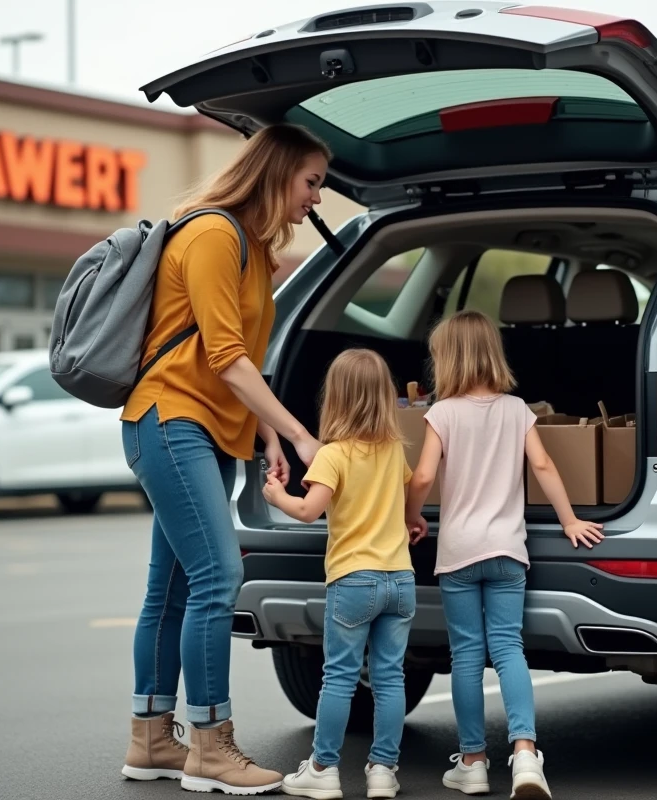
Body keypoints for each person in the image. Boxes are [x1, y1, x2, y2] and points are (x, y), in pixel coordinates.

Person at [118, 123, 331, 795]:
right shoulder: (213, 235)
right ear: (277, 174)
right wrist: (299, 435)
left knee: (176, 587)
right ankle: (211, 746)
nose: (316, 198)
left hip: (202, 429)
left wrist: (265, 436)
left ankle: (151, 738)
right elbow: (225, 358)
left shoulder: (251, 248)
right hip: (170, 419)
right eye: (311, 182)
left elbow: (244, 363)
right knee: (218, 576)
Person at [404, 310, 605, 800]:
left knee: (468, 656)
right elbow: (542, 463)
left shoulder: (443, 413)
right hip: (508, 552)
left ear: (446, 359)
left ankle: (472, 761)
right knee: (509, 649)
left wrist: (411, 515)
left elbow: (425, 476)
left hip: (459, 554)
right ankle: (524, 755)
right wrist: (569, 520)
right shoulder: (517, 410)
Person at [261, 349, 421, 800]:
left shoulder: (333, 454)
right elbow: (406, 493)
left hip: (354, 580)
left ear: (336, 399)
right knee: (390, 678)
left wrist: (277, 497)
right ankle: (383, 772)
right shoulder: (393, 450)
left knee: (339, 677)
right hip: (400, 580)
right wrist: (412, 520)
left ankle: (323, 769)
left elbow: (310, 511)